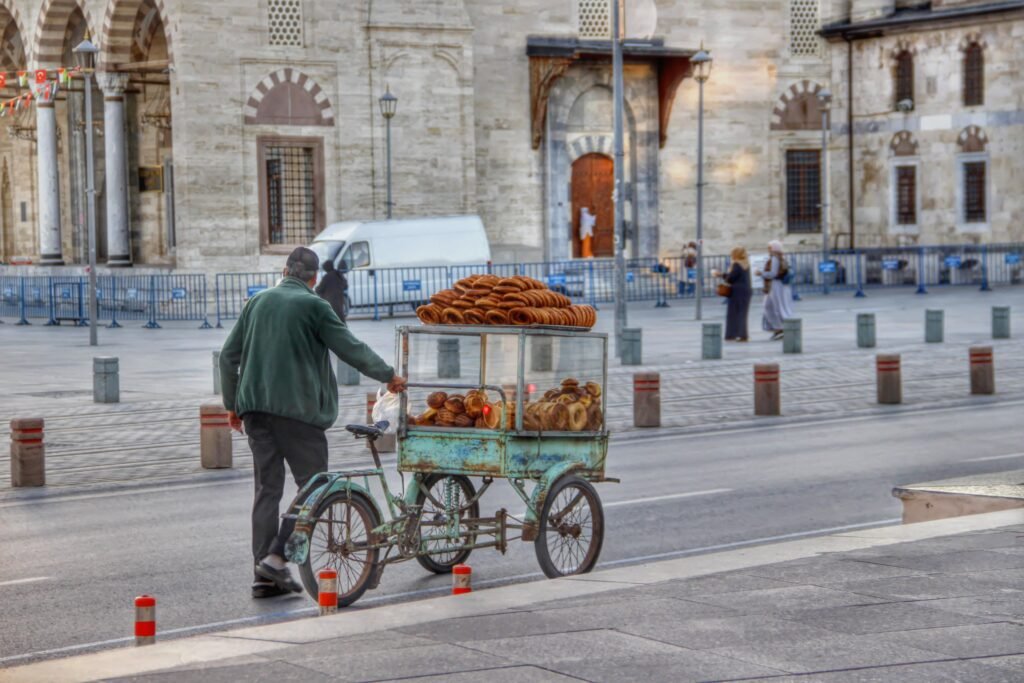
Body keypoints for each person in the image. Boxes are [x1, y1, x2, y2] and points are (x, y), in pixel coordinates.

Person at [219, 247, 406, 599]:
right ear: (314, 278)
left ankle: (263, 576)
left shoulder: (257, 303)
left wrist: (233, 405)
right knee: (314, 489)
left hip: (255, 413)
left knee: (267, 491)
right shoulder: (315, 306)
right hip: (299, 415)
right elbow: (350, 347)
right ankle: (276, 559)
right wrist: (388, 375)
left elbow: (228, 357)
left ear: (285, 269)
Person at [756, 240, 794, 340]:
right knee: (769, 306)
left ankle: (783, 328)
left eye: (769, 247)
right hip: (778, 286)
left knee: (777, 307)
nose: (768, 249)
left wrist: (761, 273)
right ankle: (778, 328)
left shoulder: (775, 258)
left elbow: (773, 274)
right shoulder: (781, 257)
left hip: (776, 285)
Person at [716, 246, 752, 342]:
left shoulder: (736, 264)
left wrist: (720, 275)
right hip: (746, 291)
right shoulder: (746, 264)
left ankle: (734, 334)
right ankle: (742, 334)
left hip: (737, 291)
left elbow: (731, 278)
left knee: (734, 313)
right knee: (742, 313)